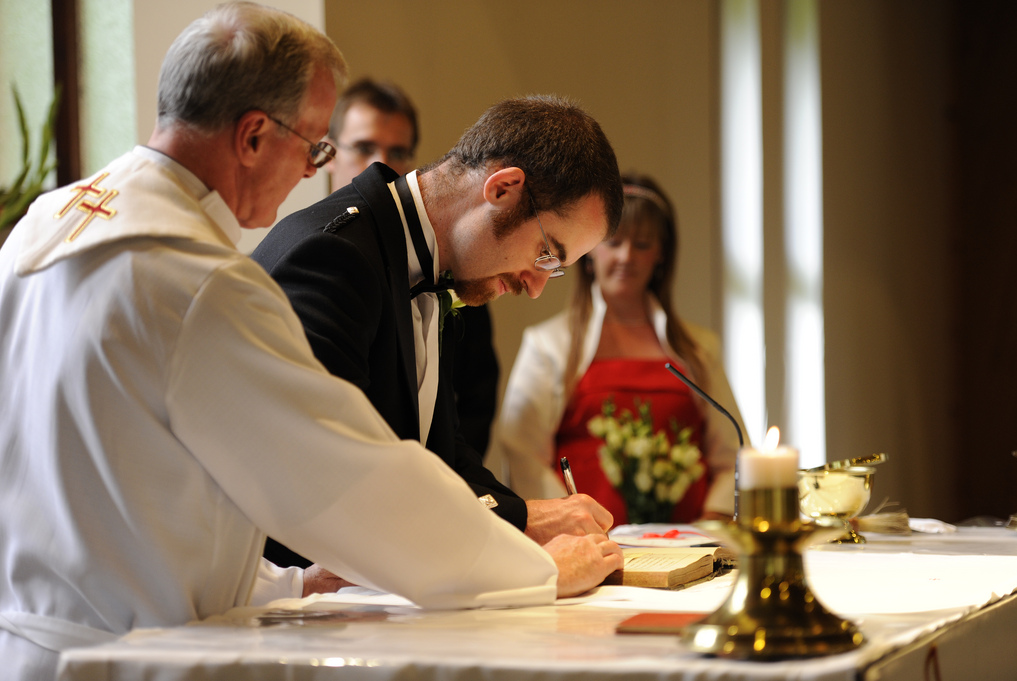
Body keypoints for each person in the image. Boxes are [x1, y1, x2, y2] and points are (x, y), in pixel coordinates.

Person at [0, 5, 621, 679]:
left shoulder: (42, 227)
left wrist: (283, 586)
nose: (311, 172)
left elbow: (124, 496)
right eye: (315, 145)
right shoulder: (194, 277)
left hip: (38, 641)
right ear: (253, 136)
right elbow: (343, 474)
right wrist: (534, 572)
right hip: (132, 657)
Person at [251, 94, 623, 568]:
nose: (534, 288)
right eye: (546, 254)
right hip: (294, 607)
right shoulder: (335, 258)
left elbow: (441, 455)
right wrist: (530, 544)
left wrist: (530, 515)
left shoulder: (426, 261)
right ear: (503, 189)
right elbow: (331, 479)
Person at [495, 174, 749, 526]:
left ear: (661, 254)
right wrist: (573, 524)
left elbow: (732, 453)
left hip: (690, 545)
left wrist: (710, 527)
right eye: (614, 242)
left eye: (642, 244)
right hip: (586, 541)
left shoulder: (698, 349)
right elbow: (523, 453)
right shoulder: (548, 345)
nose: (627, 256)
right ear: (588, 251)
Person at [327, 78, 500, 456]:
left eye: (397, 151)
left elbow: (476, 393)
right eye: (363, 147)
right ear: (330, 153)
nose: (379, 164)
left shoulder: (451, 267)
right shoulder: (317, 254)